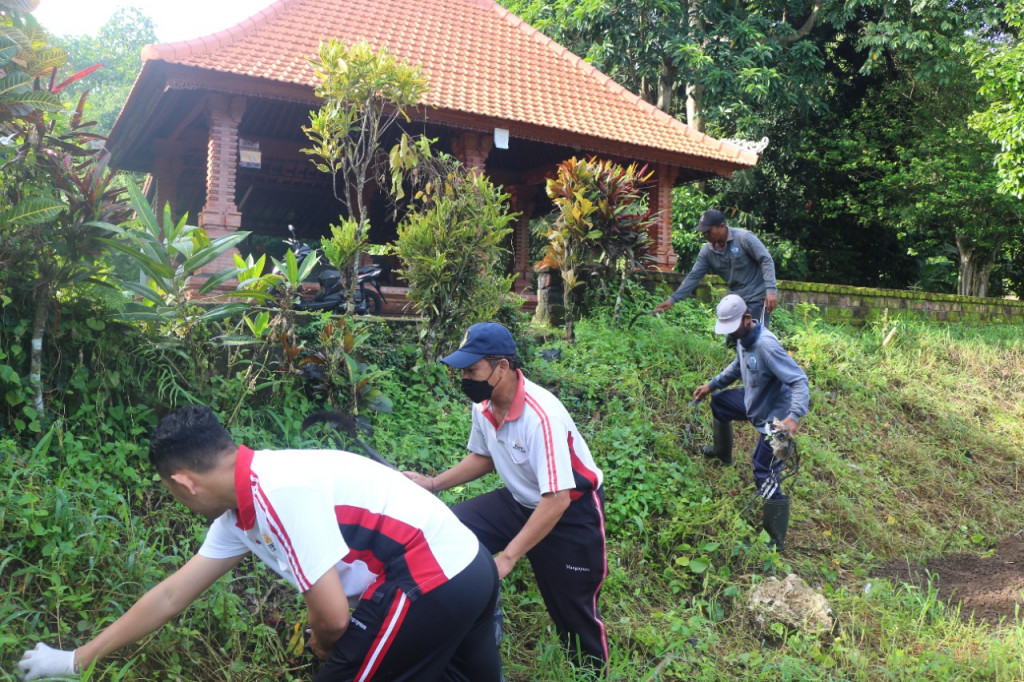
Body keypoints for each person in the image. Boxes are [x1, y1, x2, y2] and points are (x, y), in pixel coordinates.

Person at [18, 405, 501, 682]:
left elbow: (332, 620)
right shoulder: (244, 508)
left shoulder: (277, 492)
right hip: (469, 568)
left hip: (429, 579)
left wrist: (325, 643)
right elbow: (170, 595)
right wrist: (75, 659)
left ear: (184, 483)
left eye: (172, 493)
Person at [404, 322, 609, 675]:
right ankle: (463, 626)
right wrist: (433, 483)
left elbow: (557, 499)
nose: (465, 378)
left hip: (570, 511)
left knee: (574, 611)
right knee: (451, 530)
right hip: (520, 501)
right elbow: (483, 457)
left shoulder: (540, 416)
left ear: (502, 367)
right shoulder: (484, 405)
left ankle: (591, 672)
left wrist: (509, 556)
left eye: (472, 370)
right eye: (462, 370)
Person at [693, 295, 809, 551]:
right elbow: (738, 366)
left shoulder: (766, 346)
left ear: (747, 318)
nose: (731, 333)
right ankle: (722, 454)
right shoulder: (742, 339)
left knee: (763, 471)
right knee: (721, 403)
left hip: (774, 418)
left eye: (734, 327)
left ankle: (774, 541)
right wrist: (712, 385)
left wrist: (793, 417)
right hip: (753, 401)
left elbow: (799, 380)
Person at [652, 208, 778, 327]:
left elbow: (766, 259)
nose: (705, 235)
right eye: (703, 232)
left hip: (757, 298)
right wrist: (672, 299)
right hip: (736, 300)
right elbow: (694, 276)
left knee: (756, 338)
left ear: (722, 226)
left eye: (708, 231)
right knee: (735, 341)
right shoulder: (707, 252)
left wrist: (771, 290)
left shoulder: (743, 238)